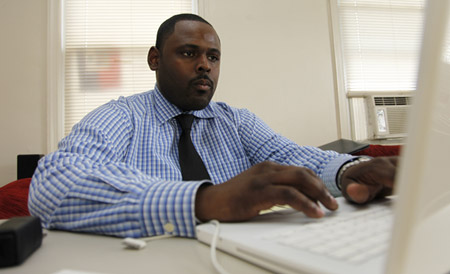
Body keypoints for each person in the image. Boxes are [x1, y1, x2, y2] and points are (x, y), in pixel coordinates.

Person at [28, 14, 397, 238]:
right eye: (189, 53)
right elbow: (53, 184)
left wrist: (353, 169)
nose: (205, 65)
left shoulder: (236, 121)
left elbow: (299, 159)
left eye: (213, 57)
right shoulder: (122, 116)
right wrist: (205, 200)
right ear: (155, 59)